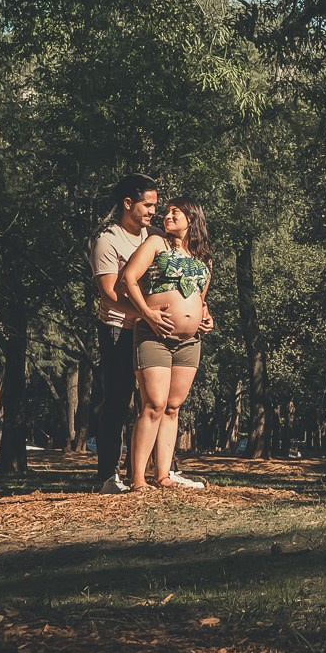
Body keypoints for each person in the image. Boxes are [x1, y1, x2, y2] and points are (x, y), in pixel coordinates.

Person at [119, 197, 214, 491]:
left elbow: (200, 298)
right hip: (153, 335)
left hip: (190, 341)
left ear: (192, 218)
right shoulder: (156, 244)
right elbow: (128, 279)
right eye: (168, 211)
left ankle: (162, 476)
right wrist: (146, 314)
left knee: (173, 407)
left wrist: (206, 317)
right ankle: (137, 479)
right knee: (154, 404)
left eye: (176, 212)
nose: (167, 215)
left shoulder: (204, 258)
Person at [89, 174, 158, 493]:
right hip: (117, 328)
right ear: (128, 203)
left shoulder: (153, 235)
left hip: (149, 329)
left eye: (155, 205)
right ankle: (107, 475)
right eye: (148, 205)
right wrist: (144, 313)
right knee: (117, 400)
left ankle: (149, 472)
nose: (153, 211)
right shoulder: (108, 238)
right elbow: (107, 292)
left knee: (154, 401)